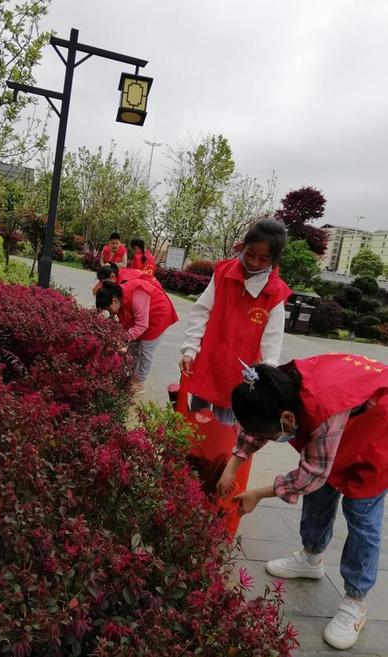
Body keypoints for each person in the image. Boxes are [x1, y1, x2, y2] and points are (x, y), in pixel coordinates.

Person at [218, 355, 388, 650]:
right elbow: (257, 421)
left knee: (361, 512)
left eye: (270, 435)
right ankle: (311, 558)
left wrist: (258, 493)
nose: (269, 438)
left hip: (380, 425)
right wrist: (231, 466)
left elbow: (312, 474)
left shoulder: (322, 407)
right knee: (322, 493)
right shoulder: (271, 388)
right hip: (348, 413)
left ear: (286, 418)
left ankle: (355, 601)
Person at [179, 218, 291, 425]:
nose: (254, 262)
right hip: (208, 363)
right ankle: (192, 454)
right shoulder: (223, 273)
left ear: (274, 260)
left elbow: (272, 341)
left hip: (239, 376)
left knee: (226, 427)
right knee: (196, 420)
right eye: (250, 254)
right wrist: (190, 349)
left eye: (263, 258)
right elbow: (201, 311)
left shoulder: (275, 293)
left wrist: (267, 376)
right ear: (243, 246)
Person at [95, 280, 178, 393]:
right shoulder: (119, 297)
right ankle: (128, 377)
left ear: (114, 300)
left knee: (145, 350)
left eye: (108, 309)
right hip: (142, 317)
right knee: (133, 348)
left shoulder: (136, 294)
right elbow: (126, 324)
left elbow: (142, 325)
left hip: (158, 315)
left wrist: (123, 338)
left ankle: (139, 383)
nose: (109, 313)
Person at [91, 263, 161, 296]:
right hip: (151, 288)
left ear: (112, 276)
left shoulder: (124, 281)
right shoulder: (117, 273)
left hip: (154, 293)